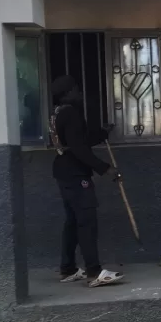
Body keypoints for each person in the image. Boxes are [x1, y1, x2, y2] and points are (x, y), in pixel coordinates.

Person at [50, 75, 124, 288]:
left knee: (73, 222)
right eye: (76, 90)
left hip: (63, 171)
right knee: (86, 221)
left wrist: (102, 134)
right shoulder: (71, 113)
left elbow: (76, 141)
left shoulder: (56, 114)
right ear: (67, 94)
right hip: (75, 174)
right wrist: (105, 168)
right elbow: (79, 149)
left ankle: (68, 268)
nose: (80, 94)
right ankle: (94, 272)